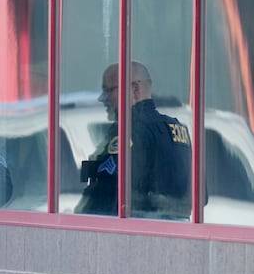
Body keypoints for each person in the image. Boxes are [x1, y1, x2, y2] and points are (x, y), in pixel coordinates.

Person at [74, 61, 192, 218]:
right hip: (176, 228)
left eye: (109, 90)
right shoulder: (177, 129)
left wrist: (79, 218)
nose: (103, 98)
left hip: (136, 226)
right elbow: (198, 197)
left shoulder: (131, 129)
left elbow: (107, 191)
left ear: (135, 89)